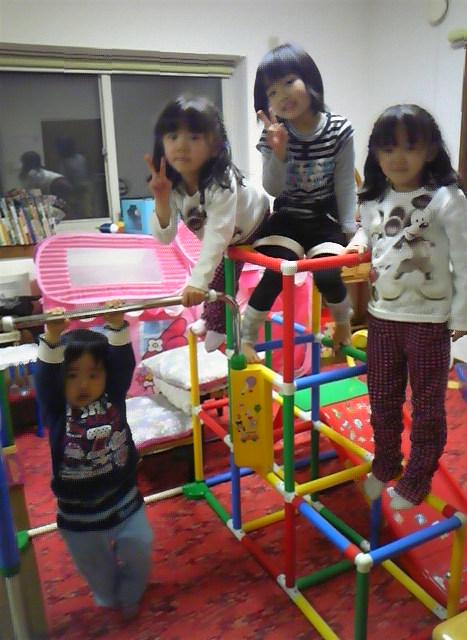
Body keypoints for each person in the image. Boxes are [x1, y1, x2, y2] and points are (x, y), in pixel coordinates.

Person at [344, 104, 467, 510]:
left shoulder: (446, 199)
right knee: (382, 399)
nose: (397, 158)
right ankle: (386, 462)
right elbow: (368, 235)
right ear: (376, 154)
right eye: (388, 149)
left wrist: (463, 316)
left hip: (429, 322)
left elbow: (465, 261)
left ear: (430, 150)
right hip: (383, 318)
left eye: (409, 147)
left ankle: (418, 476)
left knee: (427, 408)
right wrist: (356, 246)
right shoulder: (374, 198)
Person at [34, 304, 153, 620]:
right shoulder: (57, 408)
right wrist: (52, 337)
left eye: (93, 374)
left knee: (140, 547)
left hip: (123, 497)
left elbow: (123, 365)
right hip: (78, 512)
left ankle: (131, 592)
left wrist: (116, 327)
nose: (84, 385)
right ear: (61, 379)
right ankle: (109, 595)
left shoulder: (112, 395)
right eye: (72, 376)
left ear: (106, 376)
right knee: (95, 568)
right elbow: (45, 380)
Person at [241, 42, 357, 363]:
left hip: (323, 219)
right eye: (272, 92)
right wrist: (278, 153)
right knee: (276, 272)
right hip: (287, 218)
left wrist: (349, 230)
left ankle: (343, 324)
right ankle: (246, 338)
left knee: (328, 275)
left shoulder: (338, 129)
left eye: (289, 82)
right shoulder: (273, 133)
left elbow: (345, 182)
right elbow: (272, 188)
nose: (282, 95)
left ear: (310, 80)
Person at [145, 95, 269, 352]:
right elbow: (165, 237)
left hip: (256, 221)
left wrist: (197, 283)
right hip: (231, 235)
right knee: (219, 272)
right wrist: (161, 198)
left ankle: (219, 326)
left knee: (220, 273)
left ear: (214, 146)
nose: (181, 146)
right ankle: (211, 318)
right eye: (172, 136)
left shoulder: (221, 181)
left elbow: (217, 235)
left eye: (194, 137)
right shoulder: (174, 185)